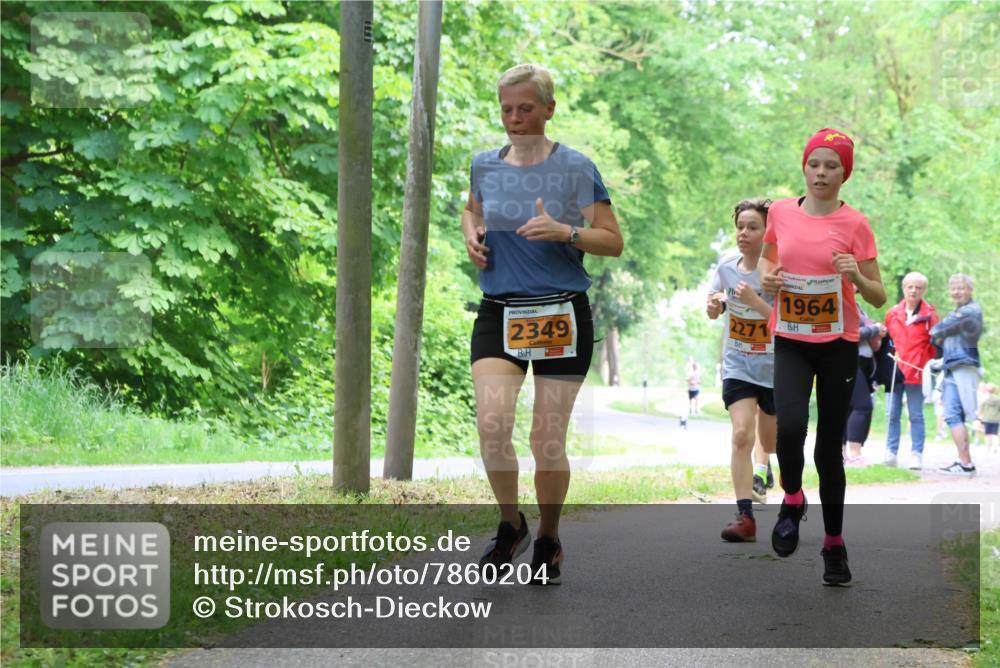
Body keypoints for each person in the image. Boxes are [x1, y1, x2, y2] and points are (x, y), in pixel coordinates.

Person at [464, 63, 624, 585]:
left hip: (559, 312)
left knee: (546, 438)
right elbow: (472, 211)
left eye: (526, 108)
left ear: (549, 108)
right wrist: (472, 233)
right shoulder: (484, 165)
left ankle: (550, 537)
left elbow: (611, 241)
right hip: (500, 310)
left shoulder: (576, 167)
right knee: (491, 425)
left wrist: (566, 232)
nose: (514, 118)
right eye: (507, 108)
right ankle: (512, 526)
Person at [759, 128, 887, 586]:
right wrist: (770, 281)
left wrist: (855, 273)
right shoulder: (779, 212)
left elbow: (878, 295)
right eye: (815, 163)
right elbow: (769, 263)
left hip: (837, 343)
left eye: (832, 165)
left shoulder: (855, 223)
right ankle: (792, 498)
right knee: (789, 427)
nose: (821, 172)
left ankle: (834, 544)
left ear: (844, 174)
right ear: (804, 166)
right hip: (791, 337)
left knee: (828, 449)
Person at [707, 198, 777, 541]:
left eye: (753, 227)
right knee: (740, 434)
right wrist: (714, 305)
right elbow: (713, 306)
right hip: (738, 365)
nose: (744, 234)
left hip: (777, 368)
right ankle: (745, 517)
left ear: (768, 232)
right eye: (740, 227)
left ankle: (783, 484)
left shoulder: (778, 272)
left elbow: (787, 323)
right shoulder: (726, 267)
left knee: (773, 442)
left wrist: (755, 301)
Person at [883, 272, 940, 469]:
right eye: (910, 286)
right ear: (904, 288)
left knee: (916, 414)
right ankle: (891, 452)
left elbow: (935, 345)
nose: (914, 290)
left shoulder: (930, 315)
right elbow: (887, 342)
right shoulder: (892, 313)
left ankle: (916, 454)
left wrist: (925, 363)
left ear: (923, 290)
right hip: (894, 372)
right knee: (892, 413)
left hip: (917, 373)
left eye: (918, 287)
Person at [931, 273, 983, 475]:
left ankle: (965, 464)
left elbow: (938, 330)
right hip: (955, 364)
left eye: (961, 288)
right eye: (953, 288)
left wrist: (941, 334)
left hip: (962, 364)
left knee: (952, 413)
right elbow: (938, 335)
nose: (956, 292)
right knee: (955, 413)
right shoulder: (961, 311)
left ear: (970, 290)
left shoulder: (970, 310)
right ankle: (965, 462)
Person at [844, 301, 885, 466]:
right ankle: (854, 454)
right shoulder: (842, 302)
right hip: (848, 360)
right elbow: (850, 333)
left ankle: (842, 455)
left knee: (848, 408)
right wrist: (875, 329)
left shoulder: (856, 304)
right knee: (863, 406)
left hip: (862, 363)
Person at [981, 382, 1000, 454]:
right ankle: (995, 448)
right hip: (996, 419)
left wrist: (980, 417)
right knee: (995, 434)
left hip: (987, 419)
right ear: (995, 390)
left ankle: (988, 449)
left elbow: (981, 409)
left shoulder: (985, 399)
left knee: (987, 434)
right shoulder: (998, 399)